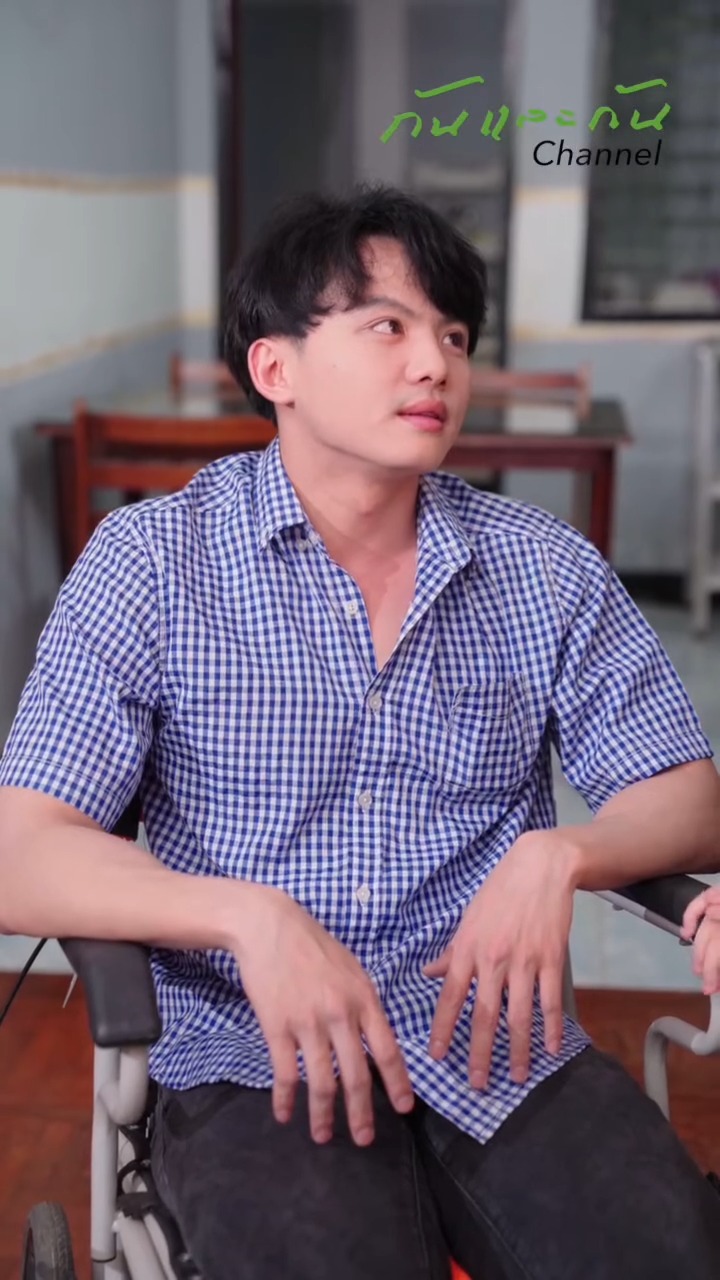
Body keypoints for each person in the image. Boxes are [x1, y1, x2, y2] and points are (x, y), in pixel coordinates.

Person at [1, 183, 720, 1280]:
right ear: (275, 369)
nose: (435, 363)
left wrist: (563, 851)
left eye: (454, 335)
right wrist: (250, 917)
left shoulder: (543, 566)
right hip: (252, 1054)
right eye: (387, 326)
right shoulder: (152, 561)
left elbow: (686, 796)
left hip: (498, 1046)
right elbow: (22, 851)